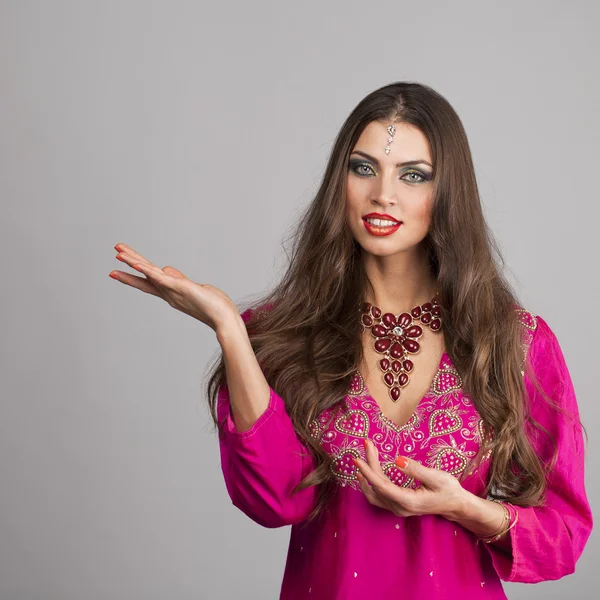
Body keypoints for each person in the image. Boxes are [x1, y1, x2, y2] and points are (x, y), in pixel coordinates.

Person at [109, 81, 593, 599]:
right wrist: (229, 329)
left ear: (447, 193)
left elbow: (561, 539)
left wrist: (462, 507)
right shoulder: (281, 334)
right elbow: (275, 501)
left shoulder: (514, 343)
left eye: (413, 175)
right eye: (364, 168)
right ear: (339, 180)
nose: (383, 193)